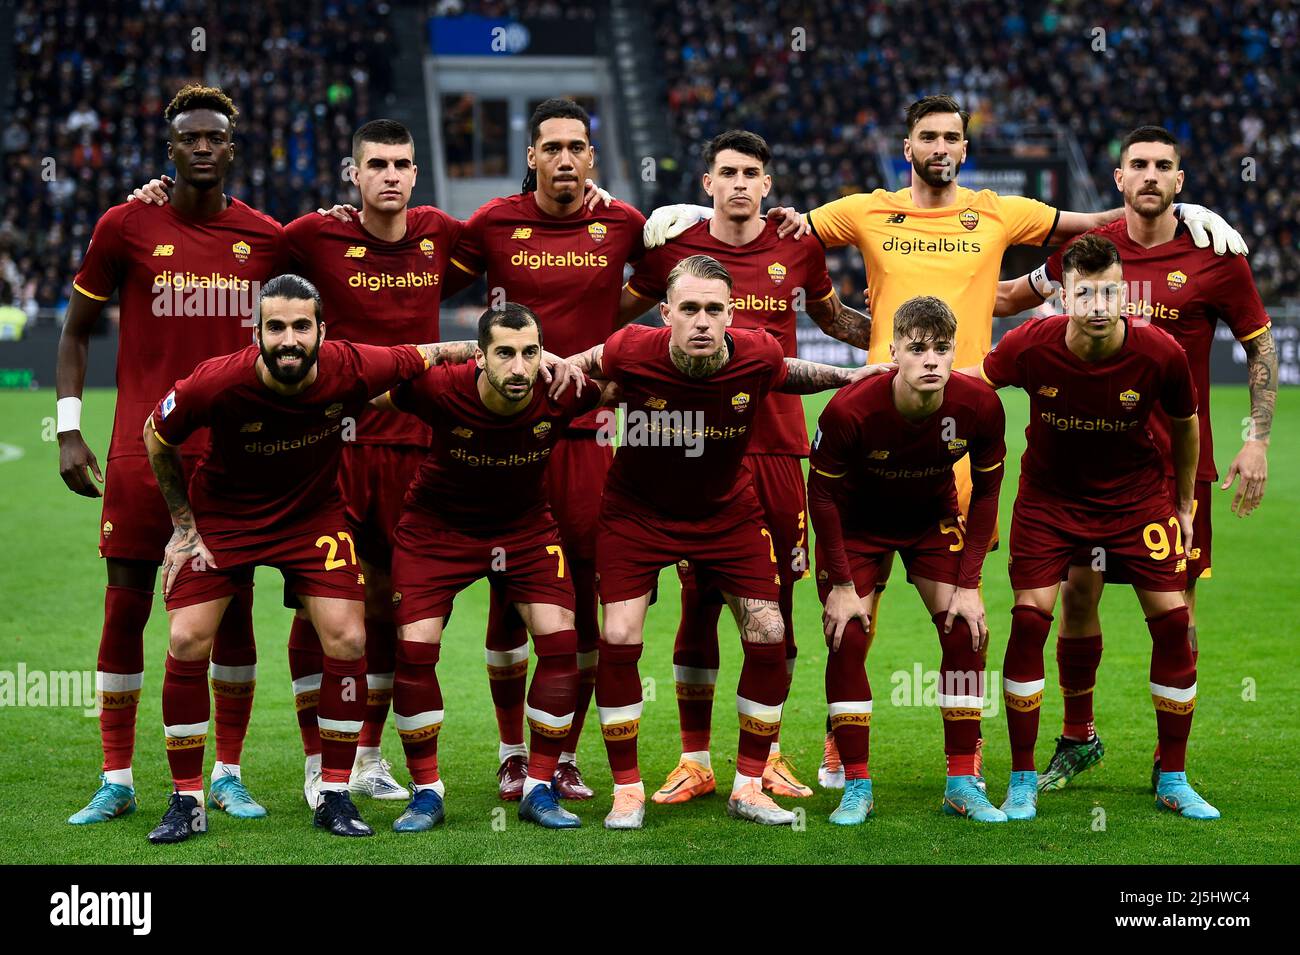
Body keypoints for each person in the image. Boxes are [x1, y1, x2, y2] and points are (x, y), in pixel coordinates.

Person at [994, 126, 1276, 793]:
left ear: (1181, 179)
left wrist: (1257, 435)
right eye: (1138, 165)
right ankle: (1078, 736)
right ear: (1118, 179)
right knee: (1076, 592)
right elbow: (1008, 297)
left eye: (1163, 166)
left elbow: (1260, 347)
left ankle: (1167, 763)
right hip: (1083, 467)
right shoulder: (1088, 252)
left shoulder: (1216, 254)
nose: (1150, 175)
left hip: (1177, 466)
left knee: (1177, 609)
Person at [564, 254, 887, 829]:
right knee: (618, 635)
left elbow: (787, 371)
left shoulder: (752, 351)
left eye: (715, 309)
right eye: (689, 309)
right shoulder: (630, 348)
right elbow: (579, 367)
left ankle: (746, 784)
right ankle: (627, 790)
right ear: (667, 314)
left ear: (730, 313)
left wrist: (848, 376)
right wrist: (543, 367)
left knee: (768, 632)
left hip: (726, 514)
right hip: (636, 514)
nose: (703, 322)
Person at [140, 274, 443, 842]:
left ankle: (332, 791)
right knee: (186, 640)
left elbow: (428, 354)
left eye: (301, 326)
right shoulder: (216, 383)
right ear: (255, 332)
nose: (288, 339)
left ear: (322, 332)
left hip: (311, 519)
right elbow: (157, 435)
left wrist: (512, 354)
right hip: (225, 519)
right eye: (275, 326)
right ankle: (185, 800)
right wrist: (183, 529)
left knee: (348, 638)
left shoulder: (350, 366)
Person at [619, 129, 871, 804]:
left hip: (779, 446)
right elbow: (614, 308)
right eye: (726, 172)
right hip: (690, 446)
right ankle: (695, 759)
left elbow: (836, 319)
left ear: (767, 184)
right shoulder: (671, 246)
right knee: (696, 601)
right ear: (706, 183)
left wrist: (904, 342)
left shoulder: (799, 245)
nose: (738, 183)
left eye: (750, 173)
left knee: (778, 607)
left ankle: (768, 756)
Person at [58, 84, 282, 825]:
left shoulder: (265, 239)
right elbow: (76, 329)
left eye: (216, 136)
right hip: (136, 453)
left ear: (232, 146)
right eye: (190, 138)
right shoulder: (125, 225)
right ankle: (116, 776)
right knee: (125, 608)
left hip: (230, 461)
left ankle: (227, 772)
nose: (204, 148)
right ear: (171, 148)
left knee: (233, 612)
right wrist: (67, 427)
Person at [977, 235, 1217, 821]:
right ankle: (1025, 776)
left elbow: (1187, 427)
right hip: (1050, 501)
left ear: (1124, 290)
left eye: (1111, 290)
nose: (1101, 304)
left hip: (1136, 501)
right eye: (1086, 292)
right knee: (1031, 618)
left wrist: (1184, 502)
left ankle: (1174, 775)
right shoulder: (1029, 345)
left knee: (1172, 619)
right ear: (1063, 296)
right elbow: (976, 389)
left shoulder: (1159, 352)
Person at [372, 303, 603, 831]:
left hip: (525, 529)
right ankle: (426, 791)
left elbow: (619, 384)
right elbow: (375, 385)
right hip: (436, 530)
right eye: (504, 354)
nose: (519, 368)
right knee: (414, 648)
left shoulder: (561, 390)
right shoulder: (439, 389)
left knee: (561, 640)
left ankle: (539, 787)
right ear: (480, 357)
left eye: (530, 354)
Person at [809, 295, 1007, 825]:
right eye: (917, 349)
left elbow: (987, 494)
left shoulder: (979, 406)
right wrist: (844, 587)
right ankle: (856, 783)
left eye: (942, 349)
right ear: (893, 350)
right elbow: (821, 498)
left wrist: (970, 584)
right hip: (855, 524)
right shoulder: (851, 409)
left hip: (928, 521)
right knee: (847, 633)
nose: (931, 360)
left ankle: (962, 781)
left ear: (954, 352)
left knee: (965, 630)